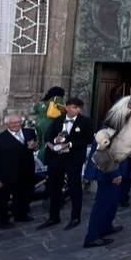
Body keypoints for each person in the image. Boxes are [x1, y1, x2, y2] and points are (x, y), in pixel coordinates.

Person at [37, 97, 93, 231]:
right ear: (67, 107)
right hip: (56, 159)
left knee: (75, 188)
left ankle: (75, 217)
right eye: (74, 107)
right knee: (54, 187)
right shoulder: (58, 120)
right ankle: (53, 217)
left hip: (73, 159)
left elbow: (89, 139)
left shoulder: (85, 122)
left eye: (79, 107)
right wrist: (51, 144)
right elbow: (48, 135)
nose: (77, 110)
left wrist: (71, 144)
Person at [0, 114, 38, 229]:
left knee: (23, 196)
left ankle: (21, 215)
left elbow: (34, 147)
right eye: (13, 122)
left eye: (19, 122)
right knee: (1, 199)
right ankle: (1, 221)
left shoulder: (29, 132)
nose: (16, 125)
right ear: (7, 124)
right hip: (6, 175)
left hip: (25, 173)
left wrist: (35, 146)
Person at [83, 133, 123, 248]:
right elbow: (104, 154)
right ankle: (92, 237)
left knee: (112, 202)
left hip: (112, 171)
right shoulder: (106, 132)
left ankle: (106, 227)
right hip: (107, 173)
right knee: (102, 204)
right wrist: (115, 174)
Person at [31, 86, 65, 165]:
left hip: (39, 123)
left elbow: (35, 110)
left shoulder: (42, 102)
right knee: (49, 142)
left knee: (42, 142)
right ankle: (42, 160)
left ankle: (39, 158)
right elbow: (63, 111)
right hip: (50, 123)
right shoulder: (58, 99)